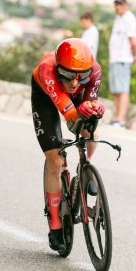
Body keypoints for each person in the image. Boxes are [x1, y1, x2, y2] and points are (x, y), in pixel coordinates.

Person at [31, 38, 105, 251]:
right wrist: (79, 112)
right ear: (59, 69)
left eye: (81, 77)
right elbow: (70, 114)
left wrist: (94, 110)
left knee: (89, 127)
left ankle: (86, 167)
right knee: (55, 161)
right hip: (46, 97)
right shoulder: (48, 70)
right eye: (68, 75)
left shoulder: (94, 71)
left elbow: (89, 102)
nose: (74, 82)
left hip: (72, 98)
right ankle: (55, 224)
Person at [108, 0, 136, 127]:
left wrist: (135, 56)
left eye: (119, 5)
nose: (117, 7)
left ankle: (121, 119)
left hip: (123, 58)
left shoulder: (130, 19)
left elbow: (132, 40)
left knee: (123, 89)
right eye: (116, 5)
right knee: (115, 90)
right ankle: (116, 117)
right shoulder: (118, 18)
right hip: (114, 58)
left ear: (125, 5)